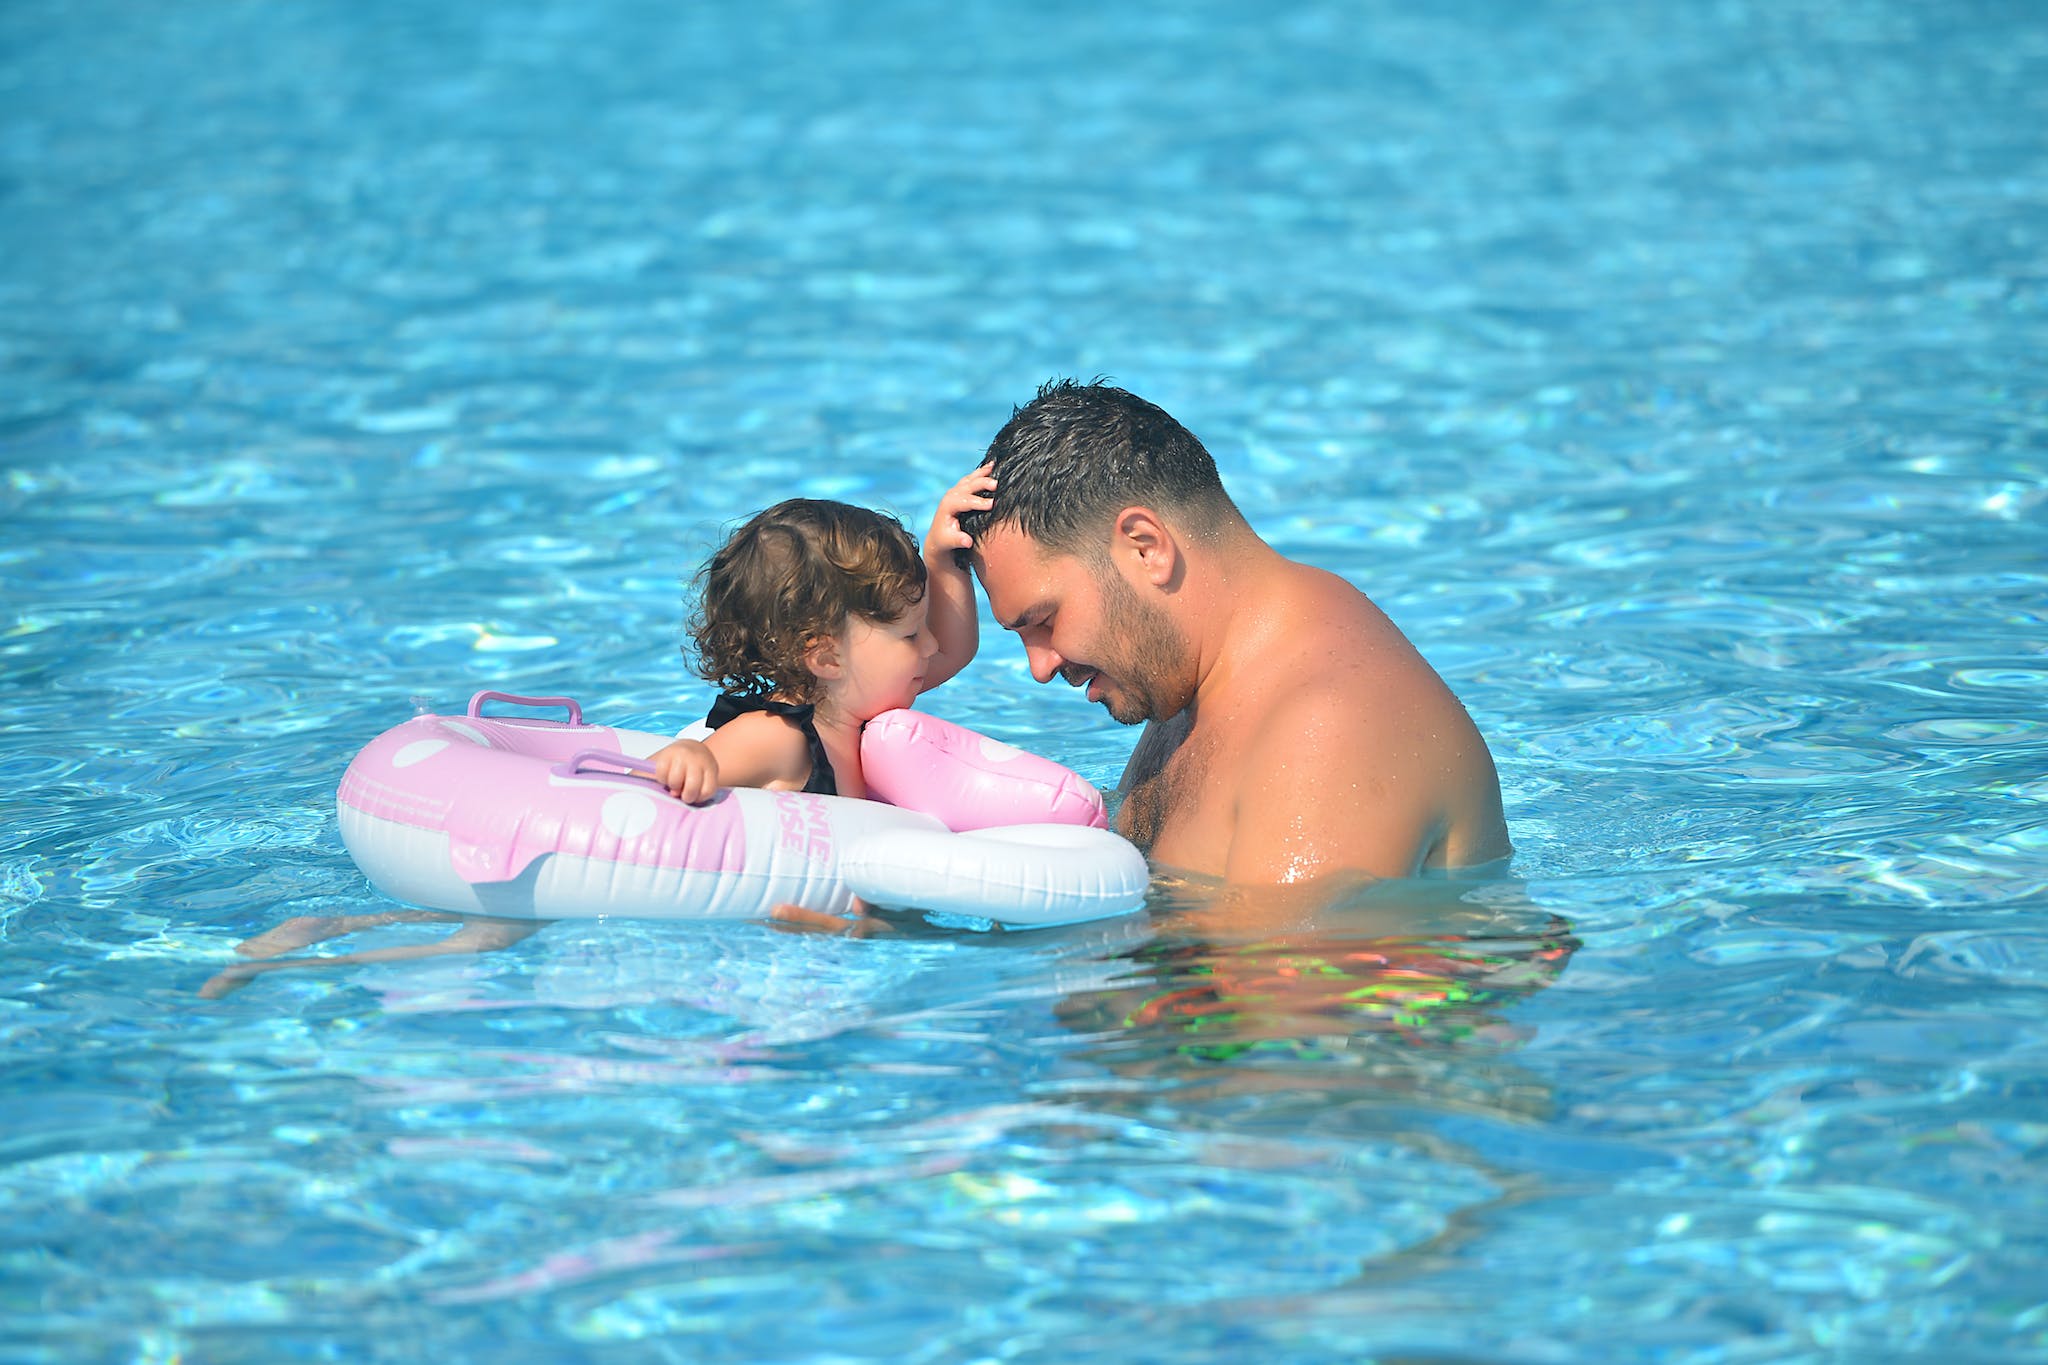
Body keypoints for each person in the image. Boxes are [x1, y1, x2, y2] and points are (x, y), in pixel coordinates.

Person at [200, 476, 998, 996]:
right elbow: (695, 764)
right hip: (657, 889)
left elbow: (954, 646)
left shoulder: (854, 705)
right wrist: (691, 758)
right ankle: (314, 953)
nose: (931, 652)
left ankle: (340, 932)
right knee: (482, 946)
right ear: (826, 656)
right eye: (908, 634)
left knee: (493, 937)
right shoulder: (783, 736)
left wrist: (940, 554)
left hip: (764, 907)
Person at [955, 378, 1513, 894]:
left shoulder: (1328, 729)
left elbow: (1277, 994)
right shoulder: (1195, 678)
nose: (1040, 666)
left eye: (1045, 620)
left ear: (1146, 547)